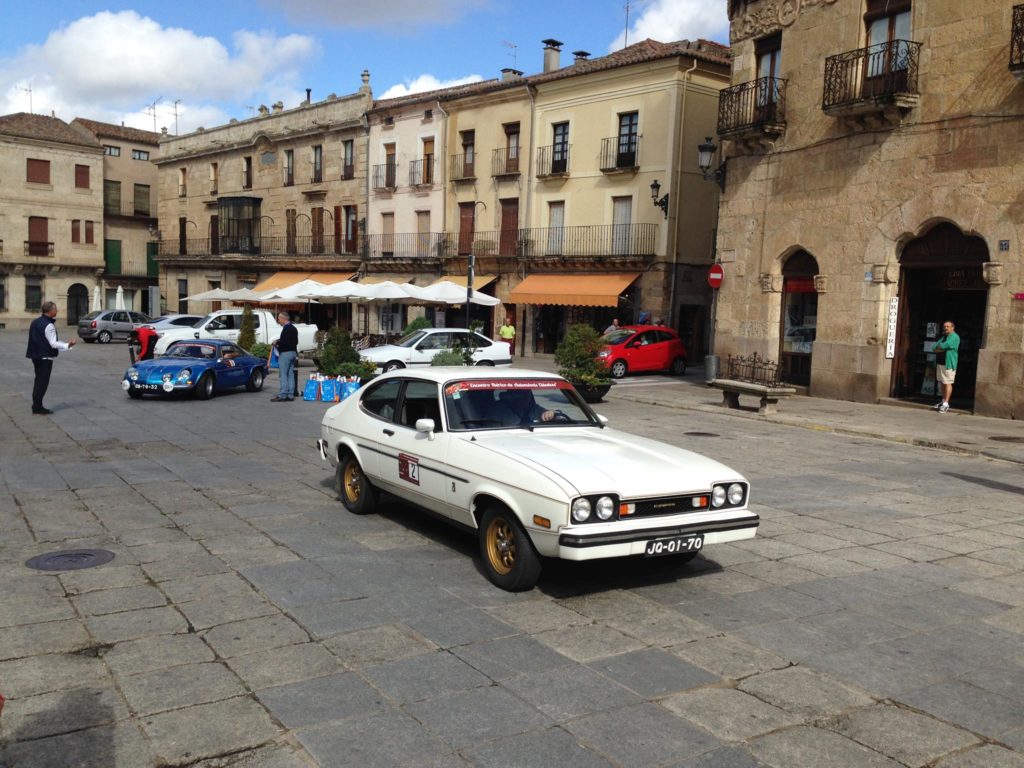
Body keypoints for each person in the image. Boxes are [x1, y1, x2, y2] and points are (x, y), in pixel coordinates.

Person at [25, 301, 76, 414]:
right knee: (42, 383)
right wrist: (68, 345)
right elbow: (53, 343)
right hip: (45, 357)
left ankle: (36, 405)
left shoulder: (35, 322)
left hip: (36, 356)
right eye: (55, 309)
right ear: (50, 311)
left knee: (38, 381)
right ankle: (37, 407)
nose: (57, 311)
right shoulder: (49, 325)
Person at [932, 320, 960, 413]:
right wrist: (940, 347)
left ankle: (946, 404)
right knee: (942, 382)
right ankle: (943, 400)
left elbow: (945, 346)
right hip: (940, 363)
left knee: (948, 382)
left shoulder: (955, 337)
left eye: (948, 326)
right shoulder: (943, 337)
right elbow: (934, 347)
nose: (946, 328)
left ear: (953, 327)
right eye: (945, 326)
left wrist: (940, 347)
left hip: (949, 364)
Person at [272, 311, 298, 402]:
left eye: (279, 319)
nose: (278, 321)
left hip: (285, 354)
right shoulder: (294, 328)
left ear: (284, 319)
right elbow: (295, 342)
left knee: (283, 375)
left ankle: (282, 395)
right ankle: (290, 395)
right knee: (290, 374)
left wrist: (277, 342)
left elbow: (285, 342)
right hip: (293, 353)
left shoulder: (286, 329)